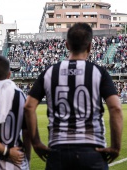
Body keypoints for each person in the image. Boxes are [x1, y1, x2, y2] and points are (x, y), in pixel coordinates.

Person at [24, 23, 123, 170]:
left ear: (67, 45)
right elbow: (115, 108)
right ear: (90, 46)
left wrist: (36, 142)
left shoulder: (50, 72)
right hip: (92, 150)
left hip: (58, 151)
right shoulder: (98, 72)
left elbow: (28, 107)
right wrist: (115, 146)